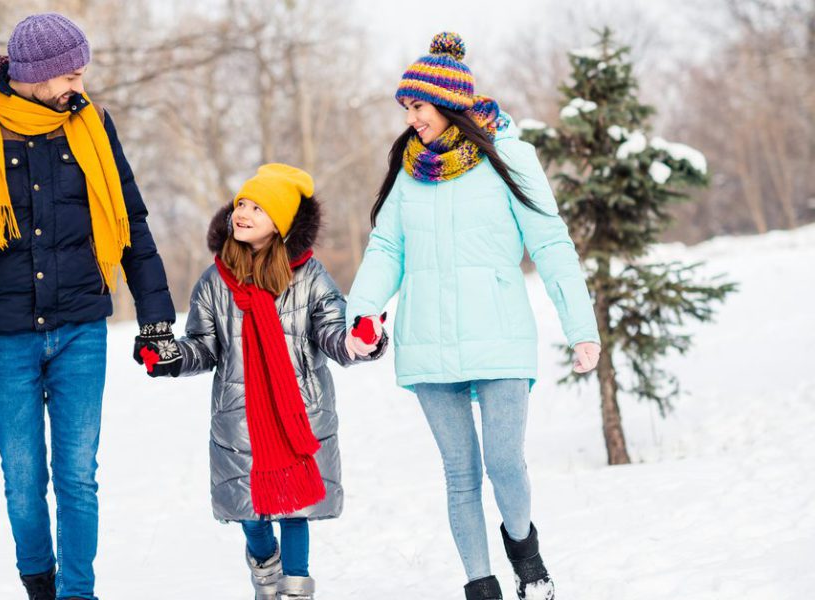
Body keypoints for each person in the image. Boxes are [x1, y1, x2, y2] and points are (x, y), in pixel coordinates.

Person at [0, 13, 176, 600]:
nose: (78, 85)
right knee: (23, 481)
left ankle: (78, 593)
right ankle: (40, 583)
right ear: (36, 74)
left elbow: (129, 219)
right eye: (71, 74)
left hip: (81, 325)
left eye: (82, 72)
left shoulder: (91, 123)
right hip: (6, 334)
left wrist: (156, 316)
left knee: (78, 478)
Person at [345, 32, 602, 600]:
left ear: (448, 102)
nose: (411, 119)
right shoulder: (410, 171)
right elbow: (387, 249)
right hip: (427, 341)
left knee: (504, 463)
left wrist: (580, 328)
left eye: (418, 106)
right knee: (460, 476)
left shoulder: (508, 156)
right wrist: (361, 312)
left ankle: (525, 552)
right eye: (406, 108)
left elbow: (552, 244)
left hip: (498, 334)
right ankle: (480, 587)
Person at [141, 164, 386, 600]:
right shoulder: (215, 280)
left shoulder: (309, 277)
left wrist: (359, 340)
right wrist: (172, 357)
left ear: (282, 224)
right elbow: (204, 344)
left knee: (295, 510)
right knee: (251, 515)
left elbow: (333, 331)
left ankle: (295, 588)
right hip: (241, 418)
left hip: (298, 414)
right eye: (241, 204)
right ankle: (264, 562)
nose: (243, 213)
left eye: (257, 207)